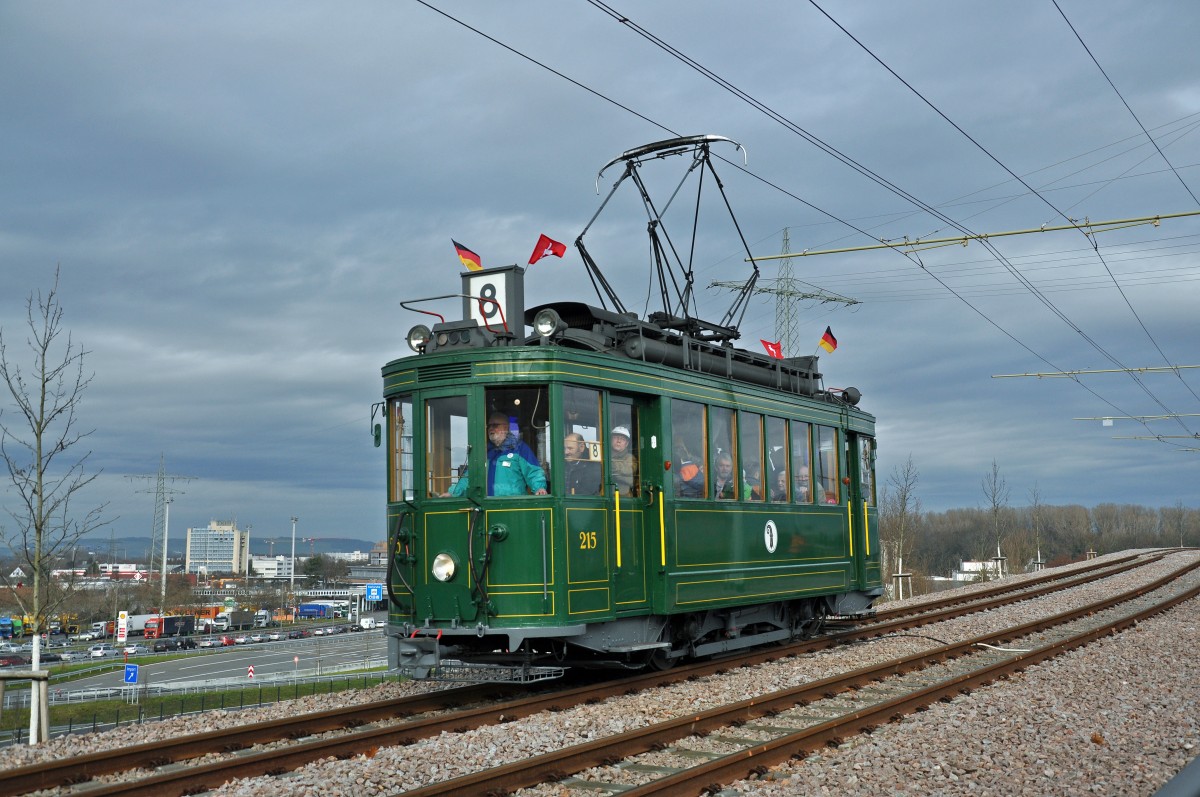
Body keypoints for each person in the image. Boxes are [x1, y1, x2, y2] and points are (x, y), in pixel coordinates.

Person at [447, 412, 548, 497]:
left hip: (514, 507)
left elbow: (534, 472)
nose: (491, 428)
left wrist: (539, 488)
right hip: (486, 507)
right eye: (489, 426)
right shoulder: (483, 452)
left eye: (495, 425)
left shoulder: (519, 449)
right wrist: (452, 493)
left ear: (506, 427)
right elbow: (469, 478)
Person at [563, 432, 601, 496]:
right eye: (564, 448)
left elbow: (587, 493)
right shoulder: (561, 464)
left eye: (570, 448)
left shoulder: (593, 466)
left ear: (581, 447)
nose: (566, 452)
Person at [610, 425, 638, 495]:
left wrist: (609, 467)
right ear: (611, 440)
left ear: (626, 444)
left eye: (622, 439)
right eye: (616, 437)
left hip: (624, 498)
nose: (618, 441)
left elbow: (629, 473)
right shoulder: (604, 455)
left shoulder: (630, 458)